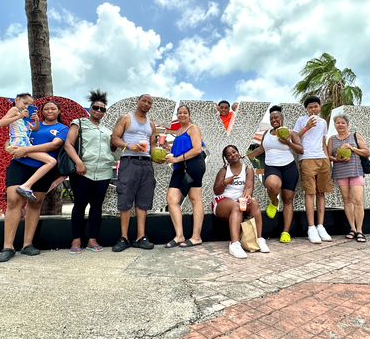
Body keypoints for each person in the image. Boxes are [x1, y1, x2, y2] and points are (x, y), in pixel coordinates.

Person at [0, 100, 68, 263]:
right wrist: (10, 148)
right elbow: (12, 137)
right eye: (46, 108)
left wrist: (26, 150)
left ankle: (27, 244)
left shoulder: (63, 128)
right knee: (13, 200)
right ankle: (8, 247)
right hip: (20, 164)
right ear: (41, 111)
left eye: (53, 108)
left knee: (35, 203)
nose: (50, 110)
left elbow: (53, 145)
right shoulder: (30, 122)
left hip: (43, 168)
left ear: (58, 111)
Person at [63, 90, 115, 254]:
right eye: (96, 107)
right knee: (79, 204)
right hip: (83, 170)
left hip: (104, 171)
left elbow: (112, 148)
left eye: (102, 109)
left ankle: (92, 238)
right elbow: (68, 144)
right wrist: (78, 162)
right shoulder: (78, 123)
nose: (99, 111)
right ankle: (76, 239)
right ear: (90, 108)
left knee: (97, 205)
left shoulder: (107, 130)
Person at [247, 105, 303, 243]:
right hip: (272, 166)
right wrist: (245, 156)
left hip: (289, 167)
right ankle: (274, 201)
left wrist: (288, 142)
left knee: (288, 199)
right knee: (272, 186)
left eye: (276, 117)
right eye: (271, 118)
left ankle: (285, 232)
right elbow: (261, 149)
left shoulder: (291, 133)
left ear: (282, 118)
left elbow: (300, 150)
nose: (274, 120)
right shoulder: (266, 134)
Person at [110, 94, 157, 251]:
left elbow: (153, 145)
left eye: (149, 102)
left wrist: (160, 155)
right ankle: (123, 238)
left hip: (146, 163)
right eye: (144, 101)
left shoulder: (151, 123)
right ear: (138, 102)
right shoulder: (126, 118)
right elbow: (114, 138)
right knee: (125, 198)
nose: (146, 104)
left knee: (143, 201)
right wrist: (128, 145)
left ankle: (140, 237)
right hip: (129, 161)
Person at [0, 93, 57, 202]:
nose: (26, 106)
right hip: (20, 144)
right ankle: (26, 186)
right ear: (16, 100)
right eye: (25, 103)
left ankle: (26, 185)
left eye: (30, 105)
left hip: (26, 144)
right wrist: (19, 116)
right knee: (51, 161)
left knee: (50, 161)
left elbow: (35, 129)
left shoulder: (25, 118)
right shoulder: (15, 110)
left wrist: (36, 119)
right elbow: (0, 124)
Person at [213, 145, 270, 258]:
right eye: (229, 155)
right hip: (222, 201)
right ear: (226, 158)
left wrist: (245, 198)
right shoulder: (224, 170)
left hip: (239, 200)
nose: (232, 155)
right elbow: (217, 191)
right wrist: (225, 182)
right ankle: (234, 244)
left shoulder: (247, 169)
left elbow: (249, 188)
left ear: (238, 152)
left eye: (234, 152)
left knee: (253, 201)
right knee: (236, 206)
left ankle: (259, 239)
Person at [164, 105, 205, 248]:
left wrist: (176, 159)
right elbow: (178, 152)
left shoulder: (193, 128)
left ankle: (196, 237)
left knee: (195, 198)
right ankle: (179, 235)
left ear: (189, 114)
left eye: (185, 112)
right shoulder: (179, 131)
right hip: (180, 166)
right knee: (171, 198)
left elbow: (197, 149)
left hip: (193, 165)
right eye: (179, 113)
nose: (182, 115)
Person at [293, 95, 333, 244]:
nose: (313, 109)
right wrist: (307, 127)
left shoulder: (323, 122)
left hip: (322, 159)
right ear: (306, 109)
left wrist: (327, 158)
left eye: (316, 106)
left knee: (321, 192)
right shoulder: (301, 120)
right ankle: (311, 227)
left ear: (319, 107)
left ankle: (320, 226)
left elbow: (323, 141)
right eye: (310, 107)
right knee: (310, 192)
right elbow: (294, 137)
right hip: (307, 158)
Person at [328, 113, 370, 243]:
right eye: (337, 123)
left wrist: (352, 148)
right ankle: (352, 228)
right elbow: (329, 155)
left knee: (357, 200)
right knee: (346, 200)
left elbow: (366, 152)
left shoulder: (355, 136)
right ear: (334, 125)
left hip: (355, 171)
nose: (340, 125)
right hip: (340, 172)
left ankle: (360, 230)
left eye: (343, 123)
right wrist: (337, 159)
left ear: (347, 125)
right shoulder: (332, 139)